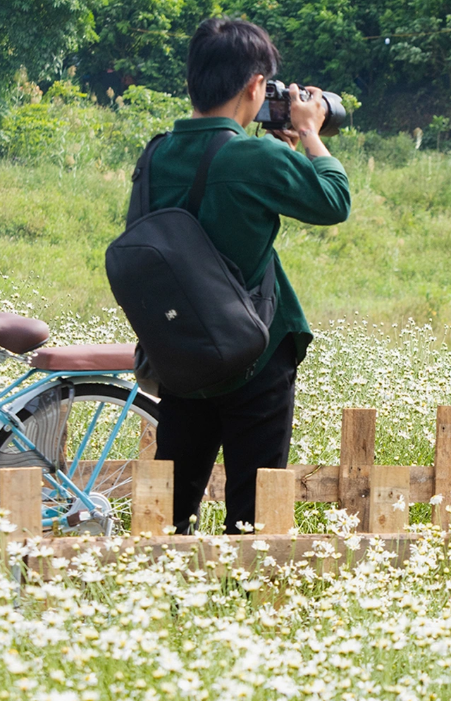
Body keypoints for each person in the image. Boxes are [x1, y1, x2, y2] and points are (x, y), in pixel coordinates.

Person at [149, 17, 350, 534]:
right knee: (253, 518)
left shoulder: (156, 154)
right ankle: (245, 603)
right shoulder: (252, 155)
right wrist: (309, 133)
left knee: (168, 515)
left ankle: (162, 597)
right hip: (255, 353)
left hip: (181, 355)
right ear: (257, 86)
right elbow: (334, 200)